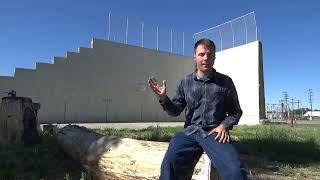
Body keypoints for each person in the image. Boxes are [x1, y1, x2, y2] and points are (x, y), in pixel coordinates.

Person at [148, 38, 247, 180]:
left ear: (214, 57)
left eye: (210, 54)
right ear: (194, 57)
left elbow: (236, 112)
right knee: (169, 165)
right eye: (201, 54)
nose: (206, 58)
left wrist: (224, 125)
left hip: (215, 133)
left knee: (235, 171)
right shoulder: (186, 82)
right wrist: (164, 98)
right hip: (190, 132)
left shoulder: (225, 82)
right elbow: (175, 111)